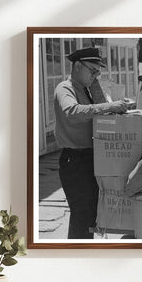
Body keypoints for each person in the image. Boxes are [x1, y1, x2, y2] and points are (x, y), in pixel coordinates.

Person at [54, 47, 131, 239]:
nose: (95, 75)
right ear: (78, 66)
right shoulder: (66, 88)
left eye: (98, 71)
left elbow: (98, 114)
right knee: (81, 216)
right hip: (75, 160)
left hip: (89, 158)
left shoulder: (86, 89)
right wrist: (108, 106)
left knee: (90, 216)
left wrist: (102, 95)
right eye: (93, 70)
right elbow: (71, 112)